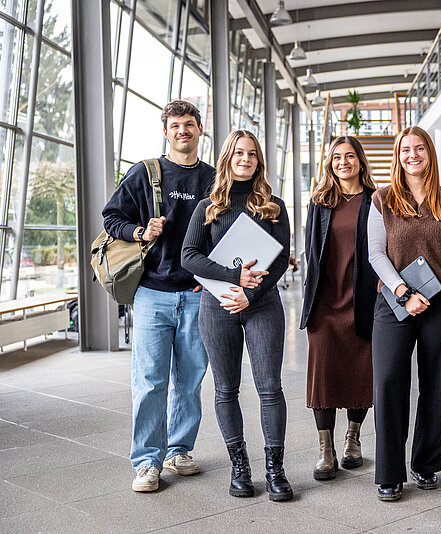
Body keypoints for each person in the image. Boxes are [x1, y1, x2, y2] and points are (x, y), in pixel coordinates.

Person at [103, 99, 214, 493]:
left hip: (198, 294)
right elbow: (111, 217)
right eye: (176, 125)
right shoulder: (145, 173)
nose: (183, 131)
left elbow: (227, 233)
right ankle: (147, 462)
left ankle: (178, 450)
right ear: (165, 131)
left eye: (190, 124)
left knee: (189, 379)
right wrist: (140, 232)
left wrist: (215, 278)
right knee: (150, 380)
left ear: (201, 129)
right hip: (152, 293)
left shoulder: (214, 179)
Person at [181, 129, 292, 501]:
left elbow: (279, 262)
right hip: (217, 306)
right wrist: (234, 278)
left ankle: (275, 469)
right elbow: (189, 256)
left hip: (261, 305)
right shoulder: (208, 206)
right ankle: (239, 467)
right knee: (225, 389)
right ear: (227, 158)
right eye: (238, 153)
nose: (245, 159)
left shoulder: (274, 206)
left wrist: (251, 293)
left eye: (252, 154)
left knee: (269, 388)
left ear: (259, 160)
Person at [368, 126, 441, 502]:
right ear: (397, 157)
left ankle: (426, 465)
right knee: (388, 383)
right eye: (405, 150)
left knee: (436, 385)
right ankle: (390, 473)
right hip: (394, 300)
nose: (412, 155)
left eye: (419, 149)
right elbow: (376, 254)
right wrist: (403, 292)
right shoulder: (383, 200)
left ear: (430, 153)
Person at [300, 136, 379, 480]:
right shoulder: (320, 201)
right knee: (324, 374)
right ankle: (325, 448)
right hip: (325, 303)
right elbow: (310, 253)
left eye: (349, 156)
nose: (343, 162)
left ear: (361, 161)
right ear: (329, 163)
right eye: (336, 157)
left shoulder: (377, 200)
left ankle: (353, 438)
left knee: (362, 370)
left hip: (363, 300)